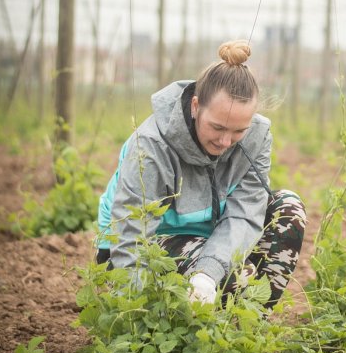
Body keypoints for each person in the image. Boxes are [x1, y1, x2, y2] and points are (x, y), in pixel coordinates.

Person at [96, 40, 307, 306]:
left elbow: (246, 210)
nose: (226, 141)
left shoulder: (257, 136)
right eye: (217, 127)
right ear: (196, 107)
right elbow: (131, 235)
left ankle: (244, 330)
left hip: (209, 234)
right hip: (144, 246)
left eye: (239, 131)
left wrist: (207, 274)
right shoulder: (151, 146)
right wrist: (134, 314)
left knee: (288, 209)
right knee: (235, 275)